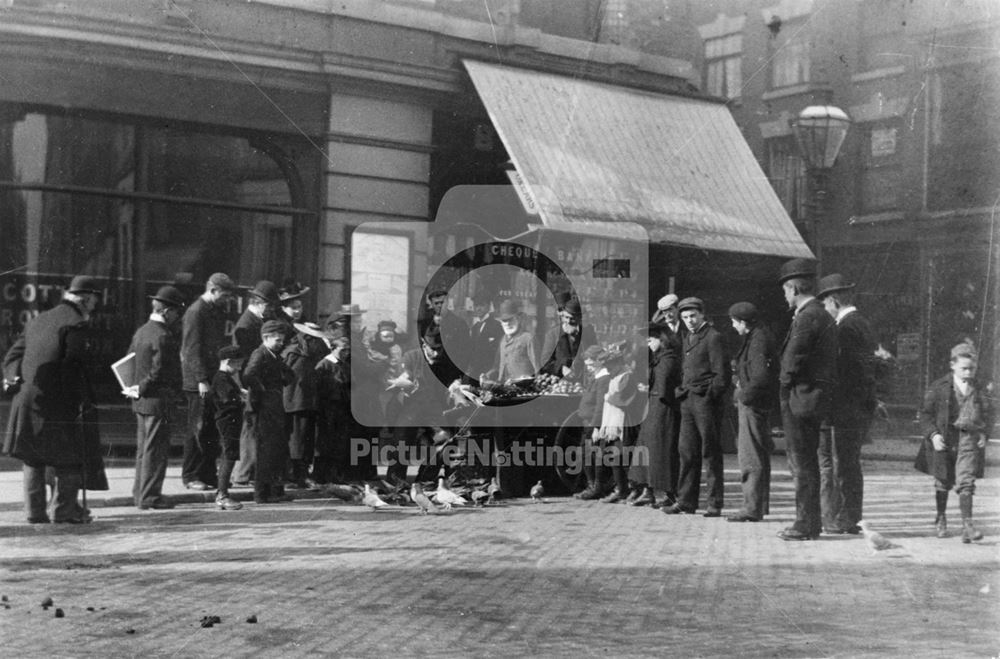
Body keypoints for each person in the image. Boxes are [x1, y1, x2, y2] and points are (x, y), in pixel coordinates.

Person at [2, 275, 109, 524]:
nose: (94, 306)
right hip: (58, 404)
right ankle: (64, 511)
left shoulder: (38, 320)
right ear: (84, 299)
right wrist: (84, 400)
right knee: (70, 460)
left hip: (27, 399)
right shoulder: (76, 324)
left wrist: (14, 379)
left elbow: (11, 357)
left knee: (33, 459)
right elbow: (73, 367)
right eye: (93, 301)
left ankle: (34, 512)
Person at [776, 259, 838, 541]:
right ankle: (811, 523)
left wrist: (784, 386)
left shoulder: (807, 316)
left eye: (786, 291)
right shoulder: (821, 314)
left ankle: (804, 523)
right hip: (815, 398)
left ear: (794, 288)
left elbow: (793, 359)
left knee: (801, 464)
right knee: (809, 463)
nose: (785, 297)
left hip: (801, 399)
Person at [816, 274, 877, 535]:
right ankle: (851, 517)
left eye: (825, 304)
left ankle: (847, 518)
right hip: (859, 405)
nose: (825, 309)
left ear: (834, 300)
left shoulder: (846, 328)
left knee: (845, 464)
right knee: (850, 463)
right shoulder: (861, 323)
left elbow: (847, 371)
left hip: (847, 406)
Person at [915, 343, 994, 543]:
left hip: (968, 438)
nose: (968, 372)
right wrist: (933, 435)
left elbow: (989, 411)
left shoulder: (980, 388)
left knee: (966, 481)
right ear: (953, 365)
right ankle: (941, 517)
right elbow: (925, 414)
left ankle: (967, 525)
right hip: (945, 438)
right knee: (943, 480)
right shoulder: (939, 387)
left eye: (972, 368)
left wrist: (985, 432)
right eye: (963, 368)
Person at [663, 297, 729, 516]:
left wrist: (709, 397)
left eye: (693, 316)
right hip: (687, 401)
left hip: (705, 402)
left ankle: (714, 503)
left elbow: (721, 376)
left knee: (710, 452)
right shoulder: (688, 337)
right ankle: (686, 501)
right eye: (685, 317)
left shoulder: (713, 337)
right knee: (687, 452)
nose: (689, 321)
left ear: (702, 315)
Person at [123, 285, 185, 511]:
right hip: (158, 401)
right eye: (177, 312)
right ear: (167, 311)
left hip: (140, 402)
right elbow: (159, 372)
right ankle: (150, 497)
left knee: (143, 450)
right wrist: (141, 387)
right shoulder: (163, 336)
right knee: (155, 451)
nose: (177, 317)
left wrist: (133, 389)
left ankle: (139, 493)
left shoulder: (142, 331)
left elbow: (128, 361)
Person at [180, 272, 237, 491]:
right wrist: (202, 379)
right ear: (212, 290)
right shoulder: (196, 312)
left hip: (211, 377)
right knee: (197, 427)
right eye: (224, 295)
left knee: (211, 428)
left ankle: (207, 473)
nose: (227, 300)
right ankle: (191, 475)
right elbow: (191, 350)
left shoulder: (214, 310)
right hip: (198, 381)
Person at [386, 326, 464, 483]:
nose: (436, 353)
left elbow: (453, 385)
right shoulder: (411, 357)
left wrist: (457, 394)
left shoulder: (447, 362)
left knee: (444, 440)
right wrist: (406, 384)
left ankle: (427, 479)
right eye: (432, 349)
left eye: (439, 349)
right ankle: (395, 480)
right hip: (410, 408)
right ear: (424, 346)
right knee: (401, 439)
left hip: (436, 410)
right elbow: (404, 378)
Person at [726, 302, 778, 523]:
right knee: (757, 455)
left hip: (752, 406)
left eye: (734, 322)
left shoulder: (757, 340)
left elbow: (760, 377)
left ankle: (751, 507)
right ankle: (757, 506)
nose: (732, 325)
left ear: (742, 322)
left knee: (750, 455)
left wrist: (742, 396)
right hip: (758, 404)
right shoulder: (759, 336)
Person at [627, 321, 682, 508]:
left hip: (662, 408)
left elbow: (665, 384)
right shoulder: (660, 357)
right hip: (655, 405)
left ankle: (666, 492)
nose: (648, 344)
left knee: (660, 449)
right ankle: (648, 490)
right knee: (648, 447)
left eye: (650, 340)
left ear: (660, 339)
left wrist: (650, 387)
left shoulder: (667, 358)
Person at [231, 279, 279, 487]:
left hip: (255, 382)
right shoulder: (247, 324)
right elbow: (244, 358)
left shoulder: (255, 320)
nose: (271, 309)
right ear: (259, 302)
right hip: (250, 383)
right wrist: (244, 386)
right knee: (250, 429)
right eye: (269, 305)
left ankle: (247, 472)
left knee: (254, 429)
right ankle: (243, 474)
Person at [244, 320, 296, 504]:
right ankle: (261, 494)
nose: (281, 343)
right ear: (265, 338)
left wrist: (282, 380)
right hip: (263, 410)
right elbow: (249, 375)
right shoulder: (260, 354)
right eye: (277, 340)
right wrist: (263, 391)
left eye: (282, 340)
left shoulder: (273, 355)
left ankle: (274, 491)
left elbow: (289, 374)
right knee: (264, 452)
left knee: (275, 450)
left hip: (274, 408)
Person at [282, 321, 328, 489]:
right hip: (296, 402)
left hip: (307, 401)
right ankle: (298, 475)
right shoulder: (295, 353)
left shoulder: (301, 351)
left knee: (304, 440)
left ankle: (301, 473)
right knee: (298, 441)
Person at [596, 344, 640, 503]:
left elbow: (624, 399)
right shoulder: (614, 377)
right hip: (612, 423)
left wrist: (608, 397)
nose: (607, 369)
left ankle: (634, 489)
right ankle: (620, 489)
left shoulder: (626, 376)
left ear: (618, 363)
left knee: (626, 457)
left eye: (609, 366)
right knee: (614, 457)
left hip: (624, 423)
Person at [314, 336, 355, 483]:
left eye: (349, 350)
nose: (346, 353)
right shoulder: (324, 365)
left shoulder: (345, 365)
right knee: (326, 443)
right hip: (328, 410)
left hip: (343, 408)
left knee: (341, 443)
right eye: (343, 350)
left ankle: (337, 475)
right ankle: (322, 476)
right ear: (333, 349)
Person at [210, 345, 246, 510]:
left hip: (231, 421)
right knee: (229, 456)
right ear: (228, 362)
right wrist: (241, 399)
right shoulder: (221, 378)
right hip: (227, 421)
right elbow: (227, 400)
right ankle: (222, 495)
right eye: (237, 364)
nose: (239, 368)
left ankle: (223, 493)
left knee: (230, 455)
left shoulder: (224, 377)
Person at [574, 345, 612, 500]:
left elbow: (600, 405)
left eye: (590, 364)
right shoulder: (596, 377)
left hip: (593, 423)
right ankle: (592, 486)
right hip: (588, 422)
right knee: (586, 454)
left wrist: (597, 427)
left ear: (599, 361)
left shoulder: (603, 379)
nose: (588, 368)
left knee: (592, 455)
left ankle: (596, 487)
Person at [540, 297, 597, 380]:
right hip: (560, 382)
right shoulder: (553, 335)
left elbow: (594, 353)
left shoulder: (588, 332)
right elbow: (545, 360)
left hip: (584, 380)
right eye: (566, 318)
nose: (569, 322)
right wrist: (561, 368)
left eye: (573, 319)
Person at [485, 299, 538, 383]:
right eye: (504, 320)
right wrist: (488, 375)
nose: (508, 324)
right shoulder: (502, 341)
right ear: (500, 322)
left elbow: (538, 368)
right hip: (504, 388)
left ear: (518, 319)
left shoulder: (528, 338)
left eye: (511, 319)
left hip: (524, 390)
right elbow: (497, 366)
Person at [468, 292, 503, 383]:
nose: (478, 308)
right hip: (476, 373)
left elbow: (499, 351)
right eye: (476, 305)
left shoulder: (497, 326)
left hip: (490, 373)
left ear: (488, 306)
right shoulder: (475, 328)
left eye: (482, 305)